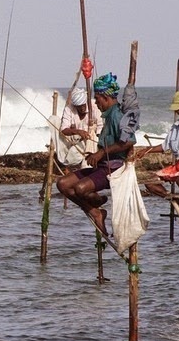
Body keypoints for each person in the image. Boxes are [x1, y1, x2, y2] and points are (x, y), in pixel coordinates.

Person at [56, 73, 136, 236]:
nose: (96, 104)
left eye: (97, 99)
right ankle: (96, 210)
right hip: (102, 165)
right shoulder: (109, 116)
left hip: (113, 168)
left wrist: (101, 153)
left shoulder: (117, 115)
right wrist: (95, 154)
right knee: (62, 183)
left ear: (105, 97)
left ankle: (97, 207)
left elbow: (129, 141)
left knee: (80, 188)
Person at [135, 89, 179, 207]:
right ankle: (174, 198)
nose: (177, 111)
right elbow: (165, 145)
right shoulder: (177, 124)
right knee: (150, 182)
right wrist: (147, 150)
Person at [53, 87, 103, 169]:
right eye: (79, 106)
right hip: (76, 141)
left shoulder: (94, 106)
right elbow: (64, 130)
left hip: (93, 140)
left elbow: (100, 126)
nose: (82, 108)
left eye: (83, 105)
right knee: (71, 157)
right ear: (75, 105)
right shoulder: (69, 109)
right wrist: (78, 131)